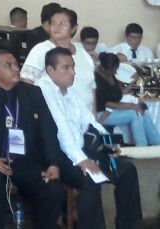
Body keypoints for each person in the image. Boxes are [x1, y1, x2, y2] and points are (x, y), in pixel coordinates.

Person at [38, 47, 142, 228]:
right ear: (50, 70)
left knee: (126, 170)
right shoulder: (42, 91)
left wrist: (108, 143)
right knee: (91, 177)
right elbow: (62, 131)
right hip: (60, 156)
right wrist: (82, 160)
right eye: (66, 68)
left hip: (84, 150)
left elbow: (90, 121)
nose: (73, 73)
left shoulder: (69, 90)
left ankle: (129, 225)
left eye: (73, 67)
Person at [0, 50, 64, 229]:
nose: (16, 69)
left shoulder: (32, 93)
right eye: (9, 66)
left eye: (16, 64)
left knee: (52, 188)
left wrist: (53, 163)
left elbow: (47, 130)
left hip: (26, 161)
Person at [19, 7, 95, 111]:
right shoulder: (41, 50)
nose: (56, 27)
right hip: (54, 113)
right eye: (53, 23)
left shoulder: (82, 53)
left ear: (73, 28)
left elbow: (91, 89)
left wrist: (93, 116)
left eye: (62, 24)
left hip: (84, 115)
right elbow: (27, 83)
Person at [95, 52, 160, 145]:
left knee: (143, 112)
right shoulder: (97, 79)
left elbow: (118, 95)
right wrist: (132, 106)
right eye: (113, 70)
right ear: (102, 68)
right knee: (135, 114)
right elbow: (109, 104)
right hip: (102, 114)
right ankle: (141, 146)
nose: (115, 72)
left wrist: (133, 81)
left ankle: (157, 143)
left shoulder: (109, 74)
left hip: (112, 111)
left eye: (115, 69)